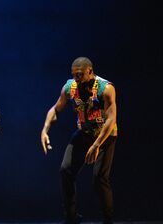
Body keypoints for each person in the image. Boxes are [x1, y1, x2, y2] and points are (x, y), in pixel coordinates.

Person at [41, 57, 118, 224]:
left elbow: (111, 119)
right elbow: (56, 108)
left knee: (99, 178)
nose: (76, 78)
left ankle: (108, 220)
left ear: (90, 71)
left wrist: (97, 144)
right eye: (74, 75)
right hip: (84, 133)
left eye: (80, 74)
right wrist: (45, 129)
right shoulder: (69, 87)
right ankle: (71, 217)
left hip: (104, 136)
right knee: (65, 170)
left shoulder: (106, 89)